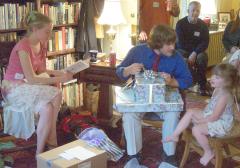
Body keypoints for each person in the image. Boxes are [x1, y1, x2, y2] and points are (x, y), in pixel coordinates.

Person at [116, 24, 192, 167]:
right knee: (129, 114)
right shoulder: (137, 51)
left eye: (173, 43)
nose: (173, 47)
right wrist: (127, 70)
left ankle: (169, 156)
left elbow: (188, 80)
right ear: (157, 43)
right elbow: (118, 71)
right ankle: (133, 155)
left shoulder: (176, 57)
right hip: (140, 100)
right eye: (169, 44)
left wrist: (172, 81)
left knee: (173, 112)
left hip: (163, 101)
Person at [1, 11, 73, 155]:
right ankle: (52, 141)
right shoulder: (23, 47)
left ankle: (40, 152)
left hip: (28, 86)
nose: (50, 35)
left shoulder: (41, 45)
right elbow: (33, 78)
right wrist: (60, 79)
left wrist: (63, 72)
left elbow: (41, 70)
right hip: (13, 88)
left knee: (47, 108)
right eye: (47, 32)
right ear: (34, 29)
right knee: (57, 93)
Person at [164, 63, 240, 166]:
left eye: (217, 77)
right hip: (213, 115)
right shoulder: (218, 89)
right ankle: (175, 135)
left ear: (227, 82)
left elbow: (215, 117)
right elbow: (212, 108)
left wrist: (201, 121)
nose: (212, 78)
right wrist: (201, 116)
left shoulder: (225, 96)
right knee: (191, 111)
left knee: (197, 130)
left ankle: (208, 151)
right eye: (213, 75)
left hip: (221, 122)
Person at [176, 1, 209, 96]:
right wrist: (192, 52)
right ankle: (191, 82)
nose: (195, 13)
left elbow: (205, 42)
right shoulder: (180, 24)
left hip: (197, 52)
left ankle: (202, 85)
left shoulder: (203, 25)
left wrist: (195, 52)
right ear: (188, 11)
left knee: (202, 57)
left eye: (197, 10)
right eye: (193, 10)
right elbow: (180, 43)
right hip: (183, 50)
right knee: (182, 58)